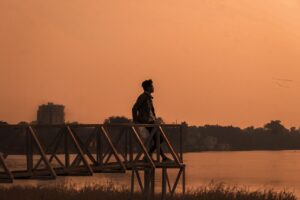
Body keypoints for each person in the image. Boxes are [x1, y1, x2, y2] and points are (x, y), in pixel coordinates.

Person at [132, 79, 171, 162]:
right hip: (147, 122)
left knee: (158, 139)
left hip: (151, 122)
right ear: (148, 87)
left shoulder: (148, 97)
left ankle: (152, 156)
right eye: (152, 86)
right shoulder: (143, 97)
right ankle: (155, 156)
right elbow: (134, 108)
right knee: (159, 139)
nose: (153, 87)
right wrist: (135, 121)